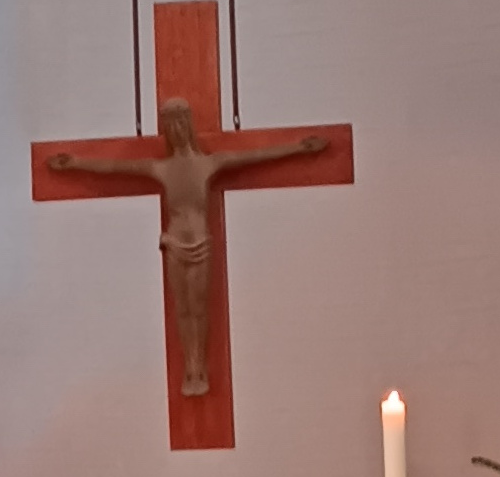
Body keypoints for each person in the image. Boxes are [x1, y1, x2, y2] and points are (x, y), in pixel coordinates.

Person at [50, 103, 328, 395]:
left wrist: (299, 148)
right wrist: (75, 163)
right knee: (182, 308)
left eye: (181, 123)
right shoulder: (161, 168)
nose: (177, 130)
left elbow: (254, 156)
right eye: (170, 125)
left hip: (200, 242)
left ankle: (201, 365)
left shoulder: (209, 163)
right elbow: (114, 167)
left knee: (199, 306)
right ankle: (190, 367)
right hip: (173, 242)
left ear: (188, 125)